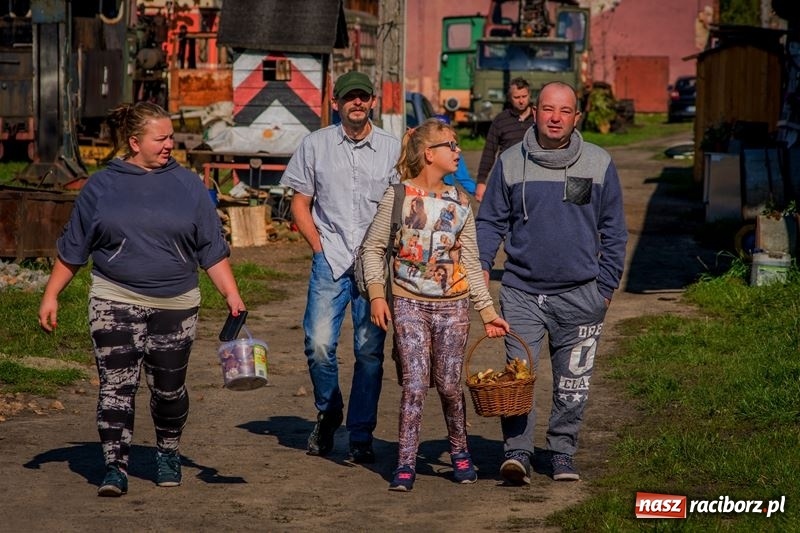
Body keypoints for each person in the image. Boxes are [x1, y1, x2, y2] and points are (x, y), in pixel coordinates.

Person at [37, 101, 245, 497]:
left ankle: (168, 451)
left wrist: (231, 294)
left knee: (169, 389)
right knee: (116, 386)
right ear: (135, 142)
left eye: (170, 136)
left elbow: (211, 250)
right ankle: (115, 466)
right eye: (161, 137)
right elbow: (74, 247)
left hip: (176, 302)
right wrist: (51, 295)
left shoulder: (188, 186)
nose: (170, 144)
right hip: (113, 297)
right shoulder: (100, 187)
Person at [475, 81, 627, 484]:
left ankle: (561, 452)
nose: (555, 118)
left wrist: (606, 287)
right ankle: (518, 453)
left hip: (582, 294)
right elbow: (489, 222)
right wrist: (480, 271)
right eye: (548, 109)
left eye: (564, 111)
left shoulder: (598, 163)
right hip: (522, 292)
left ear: (576, 117)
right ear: (535, 113)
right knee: (517, 378)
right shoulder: (510, 161)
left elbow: (614, 230)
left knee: (572, 384)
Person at [360, 118, 510, 491]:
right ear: (430, 154)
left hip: (453, 306)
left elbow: (472, 263)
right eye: (452, 145)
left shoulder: (461, 202)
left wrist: (488, 311)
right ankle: (405, 463)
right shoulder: (397, 196)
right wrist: (378, 295)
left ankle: (460, 451)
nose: (458, 152)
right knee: (413, 385)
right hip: (408, 303)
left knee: (447, 385)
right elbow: (372, 248)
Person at [280, 71, 401, 464]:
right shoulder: (314, 145)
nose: (357, 103)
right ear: (336, 103)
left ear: (372, 101)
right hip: (330, 258)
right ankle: (329, 412)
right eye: (350, 97)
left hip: (375, 267)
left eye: (363, 96)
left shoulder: (392, 148)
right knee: (318, 344)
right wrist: (317, 246)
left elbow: (404, 204)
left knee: (369, 352)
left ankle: (361, 433)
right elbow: (300, 203)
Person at [474, 77, 535, 201]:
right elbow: (489, 152)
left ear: (529, 95)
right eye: (516, 97)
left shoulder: (539, 118)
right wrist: (481, 181)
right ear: (509, 98)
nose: (521, 101)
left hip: (534, 176)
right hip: (507, 176)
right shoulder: (500, 120)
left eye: (524, 96)